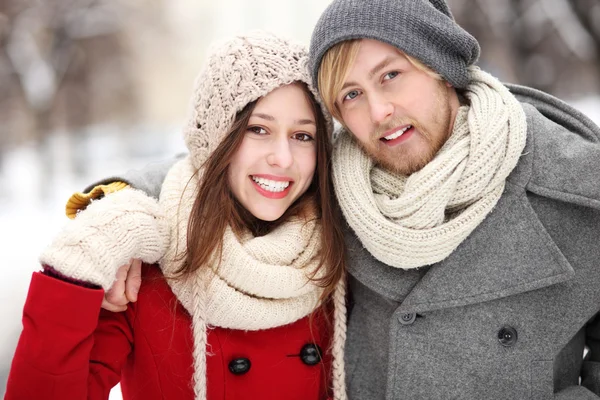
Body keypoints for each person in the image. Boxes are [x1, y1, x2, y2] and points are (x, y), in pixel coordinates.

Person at [90, 1, 600, 399]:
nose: (378, 112)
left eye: (391, 75)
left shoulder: (575, 189)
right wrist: (120, 201)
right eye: (350, 96)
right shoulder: (337, 187)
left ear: (442, 67)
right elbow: (224, 163)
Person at [5, 31, 348, 400]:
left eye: (302, 136)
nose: (283, 157)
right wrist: (75, 267)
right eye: (258, 129)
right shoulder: (144, 267)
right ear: (217, 139)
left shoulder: (337, 252)